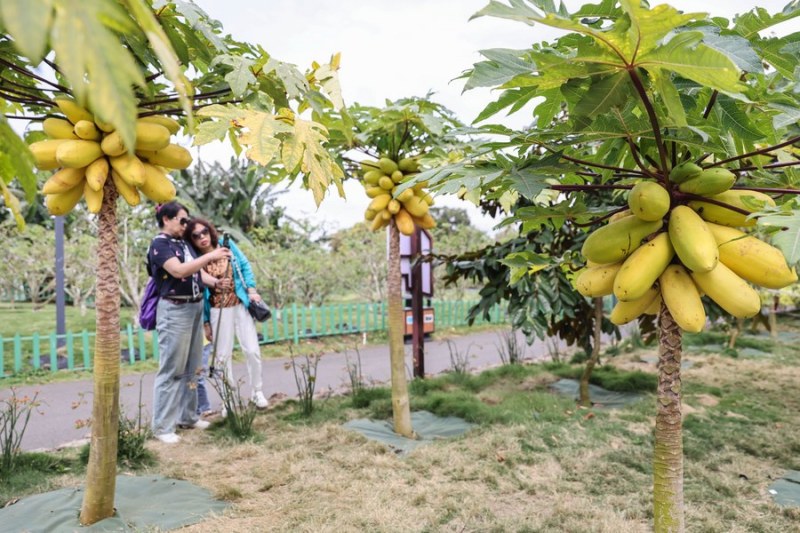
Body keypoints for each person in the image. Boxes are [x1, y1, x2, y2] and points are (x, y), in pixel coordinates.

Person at [148, 202, 232, 444]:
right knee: (172, 370)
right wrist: (211, 256)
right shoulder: (159, 245)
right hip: (174, 310)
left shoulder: (182, 243)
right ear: (167, 219)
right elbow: (179, 271)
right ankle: (163, 426)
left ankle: (189, 416)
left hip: (194, 306)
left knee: (194, 368)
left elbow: (196, 273)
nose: (186, 225)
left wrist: (215, 283)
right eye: (182, 220)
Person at [184, 217, 269, 411]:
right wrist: (206, 322)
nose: (202, 238)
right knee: (222, 356)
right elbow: (201, 289)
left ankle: (257, 392)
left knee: (252, 351)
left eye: (204, 232)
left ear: (210, 231)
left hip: (240, 305)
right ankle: (228, 400)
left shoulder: (226, 245)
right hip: (217, 310)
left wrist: (252, 289)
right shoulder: (196, 259)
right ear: (192, 240)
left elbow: (245, 266)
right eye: (196, 236)